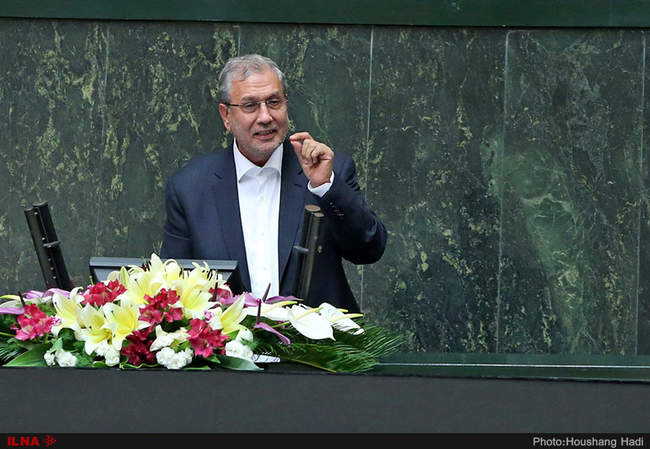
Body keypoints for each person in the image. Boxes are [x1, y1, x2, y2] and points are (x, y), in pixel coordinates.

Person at [160, 54, 386, 313]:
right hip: (229, 338)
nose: (266, 116)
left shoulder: (327, 171)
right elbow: (174, 287)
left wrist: (326, 187)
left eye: (274, 102)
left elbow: (369, 250)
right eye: (250, 106)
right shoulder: (190, 188)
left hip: (319, 338)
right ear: (226, 116)